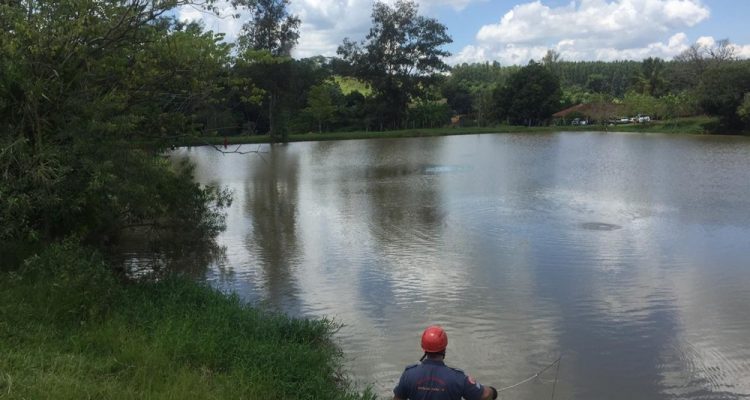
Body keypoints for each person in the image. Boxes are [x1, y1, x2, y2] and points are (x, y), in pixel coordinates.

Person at [393, 325, 498, 400]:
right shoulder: (459, 378)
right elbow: (485, 395)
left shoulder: (408, 375)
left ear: (424, 348)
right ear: (444, 348)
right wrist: (493, 391)